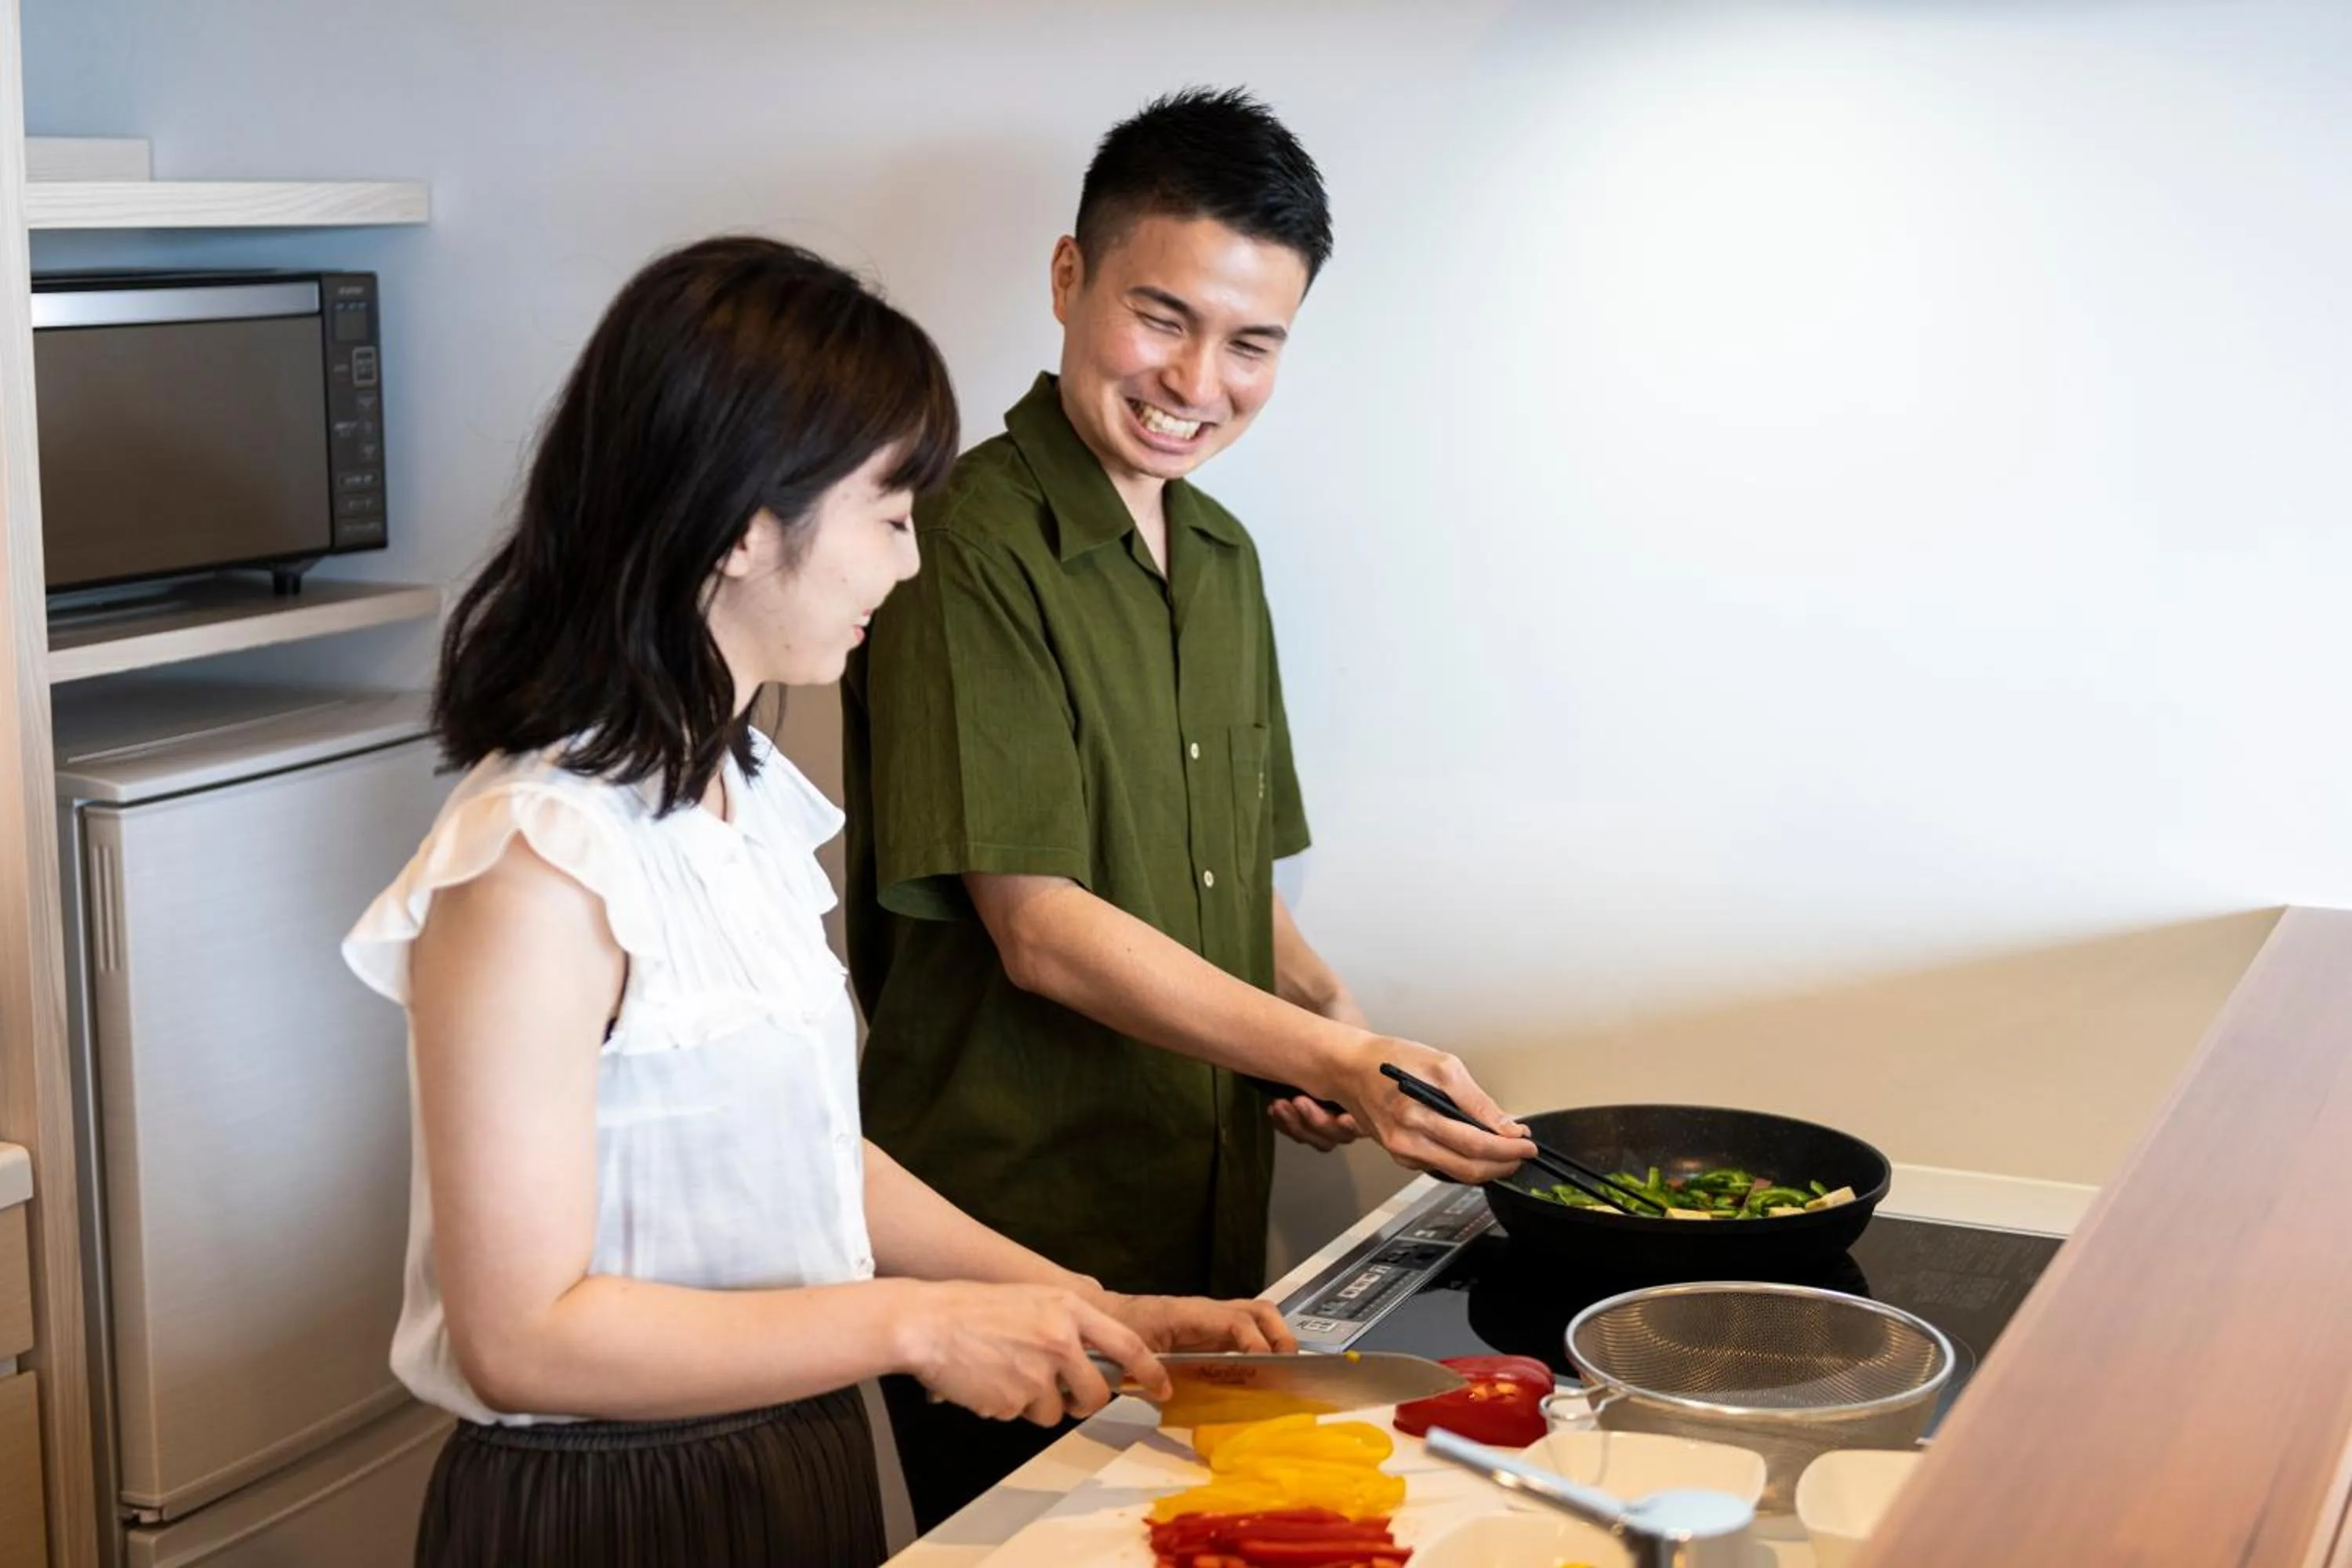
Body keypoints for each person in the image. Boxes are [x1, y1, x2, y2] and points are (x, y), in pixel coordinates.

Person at [343, 235, 1290, 1568]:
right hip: (610, 1510)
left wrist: (1086, 1303)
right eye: (891, 518)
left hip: (794, 1451)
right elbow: (519, 1335)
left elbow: (810, 1158)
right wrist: (911, 1326)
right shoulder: (537, 857)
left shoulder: (739, 796)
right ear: (745, 526)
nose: (908, 569)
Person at [844, 88, 1536, 1528]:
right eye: (1163, 317)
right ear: (1066, 279)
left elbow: (1226, 887)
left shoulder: (1221, 554)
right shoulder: (965, 545)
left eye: (1253, 343)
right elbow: (1037, 925)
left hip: (1209, 1240)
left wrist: (1342, 1033)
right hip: (1011, 1253)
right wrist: (1340, 1062)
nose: (1197, 379)